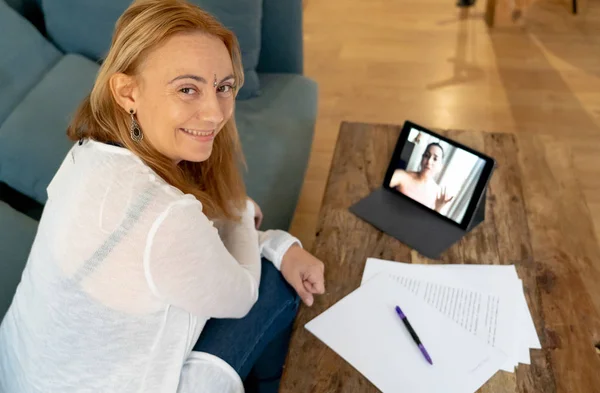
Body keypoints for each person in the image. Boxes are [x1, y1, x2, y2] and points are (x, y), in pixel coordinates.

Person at [0, 1, 325, 392]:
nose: (215, 113)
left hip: (19, 372)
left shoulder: (85, 154)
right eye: (187, 89)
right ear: (127, 91)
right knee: (274, 284)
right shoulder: (164, 215)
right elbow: (240, 295)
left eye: (223, 87)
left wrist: (268, 240)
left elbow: (173, 245)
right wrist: (244, 214)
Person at [389, 143, 454, 212]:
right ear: (422, 158)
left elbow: (429, 221)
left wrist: (438, 209)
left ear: (440, 167)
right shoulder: (401, 175)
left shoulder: (438, 195)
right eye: (426, 155)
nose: (429, 161)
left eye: (435, 159)